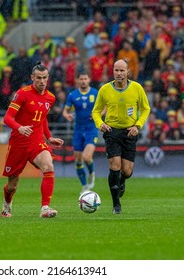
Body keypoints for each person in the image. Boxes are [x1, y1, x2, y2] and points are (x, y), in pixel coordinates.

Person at [1, 61, 64, 218]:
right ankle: (7, 205)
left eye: (44, 78)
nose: (42, 81)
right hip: (18, 143)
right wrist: (19, 127)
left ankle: (45, 208)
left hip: (36, 141)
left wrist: (49, 137)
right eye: (38, 78)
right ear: (32, 78)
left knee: (48, 166)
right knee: (12, 185)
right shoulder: (22, 94)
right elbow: (7, 118)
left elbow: (42, 119)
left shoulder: (50, 98)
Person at [92, 59, 151, 214]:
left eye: (122, 70)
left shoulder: (137, 88)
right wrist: (100, 124)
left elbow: (145, 109)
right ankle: (116, 204)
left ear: (127, 72)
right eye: (116, 70)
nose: (119, 73)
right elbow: (96, 111)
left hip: (130, 132)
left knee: (127, 171)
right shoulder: (105, 89)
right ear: (113, 71)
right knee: (114, 166)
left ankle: (122, 181)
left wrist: (138, 126)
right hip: (112, 132)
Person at [62, 72, 99, 193]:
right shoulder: (73, 95)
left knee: (86, 157)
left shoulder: (95, 93)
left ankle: (92, 173)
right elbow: (65, 111)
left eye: (85, 78)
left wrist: (97, 115)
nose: (83, 81)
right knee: (78, 160)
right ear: (77, 81)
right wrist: (67, 115)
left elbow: (104, 107)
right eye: (81, 79)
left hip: (91, 129)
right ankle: (84, 186)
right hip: (78, 130)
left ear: (89, 80)